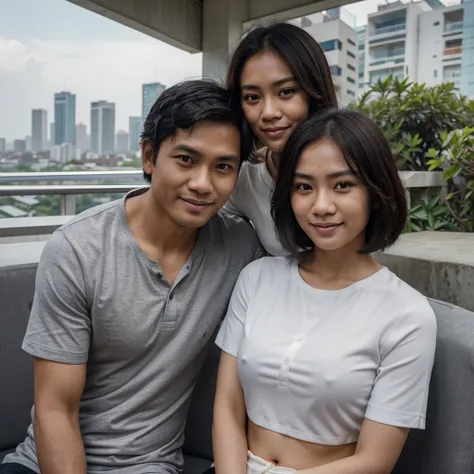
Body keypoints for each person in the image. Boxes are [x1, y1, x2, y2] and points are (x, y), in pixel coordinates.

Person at [1, 79, 263, 474]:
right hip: (43, 464)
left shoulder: (240, 246)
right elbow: (56, 409)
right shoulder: (77, 250)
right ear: (148, 156)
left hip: (149, 466)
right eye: (186, 160)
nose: (202, 184)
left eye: (223, 167)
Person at [213, 109, 437, 474]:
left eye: (342, 185)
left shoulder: (407, 315)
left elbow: (375, 461)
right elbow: (226, 406)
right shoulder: (257, 278)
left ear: (376, 192)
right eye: (304, 187)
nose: (321, 206)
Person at [223, 22, 338, 256]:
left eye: (286, 91)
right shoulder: (245, 178)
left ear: (313, 91)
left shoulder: (352, 162)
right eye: (252, 97)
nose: (269, 113)